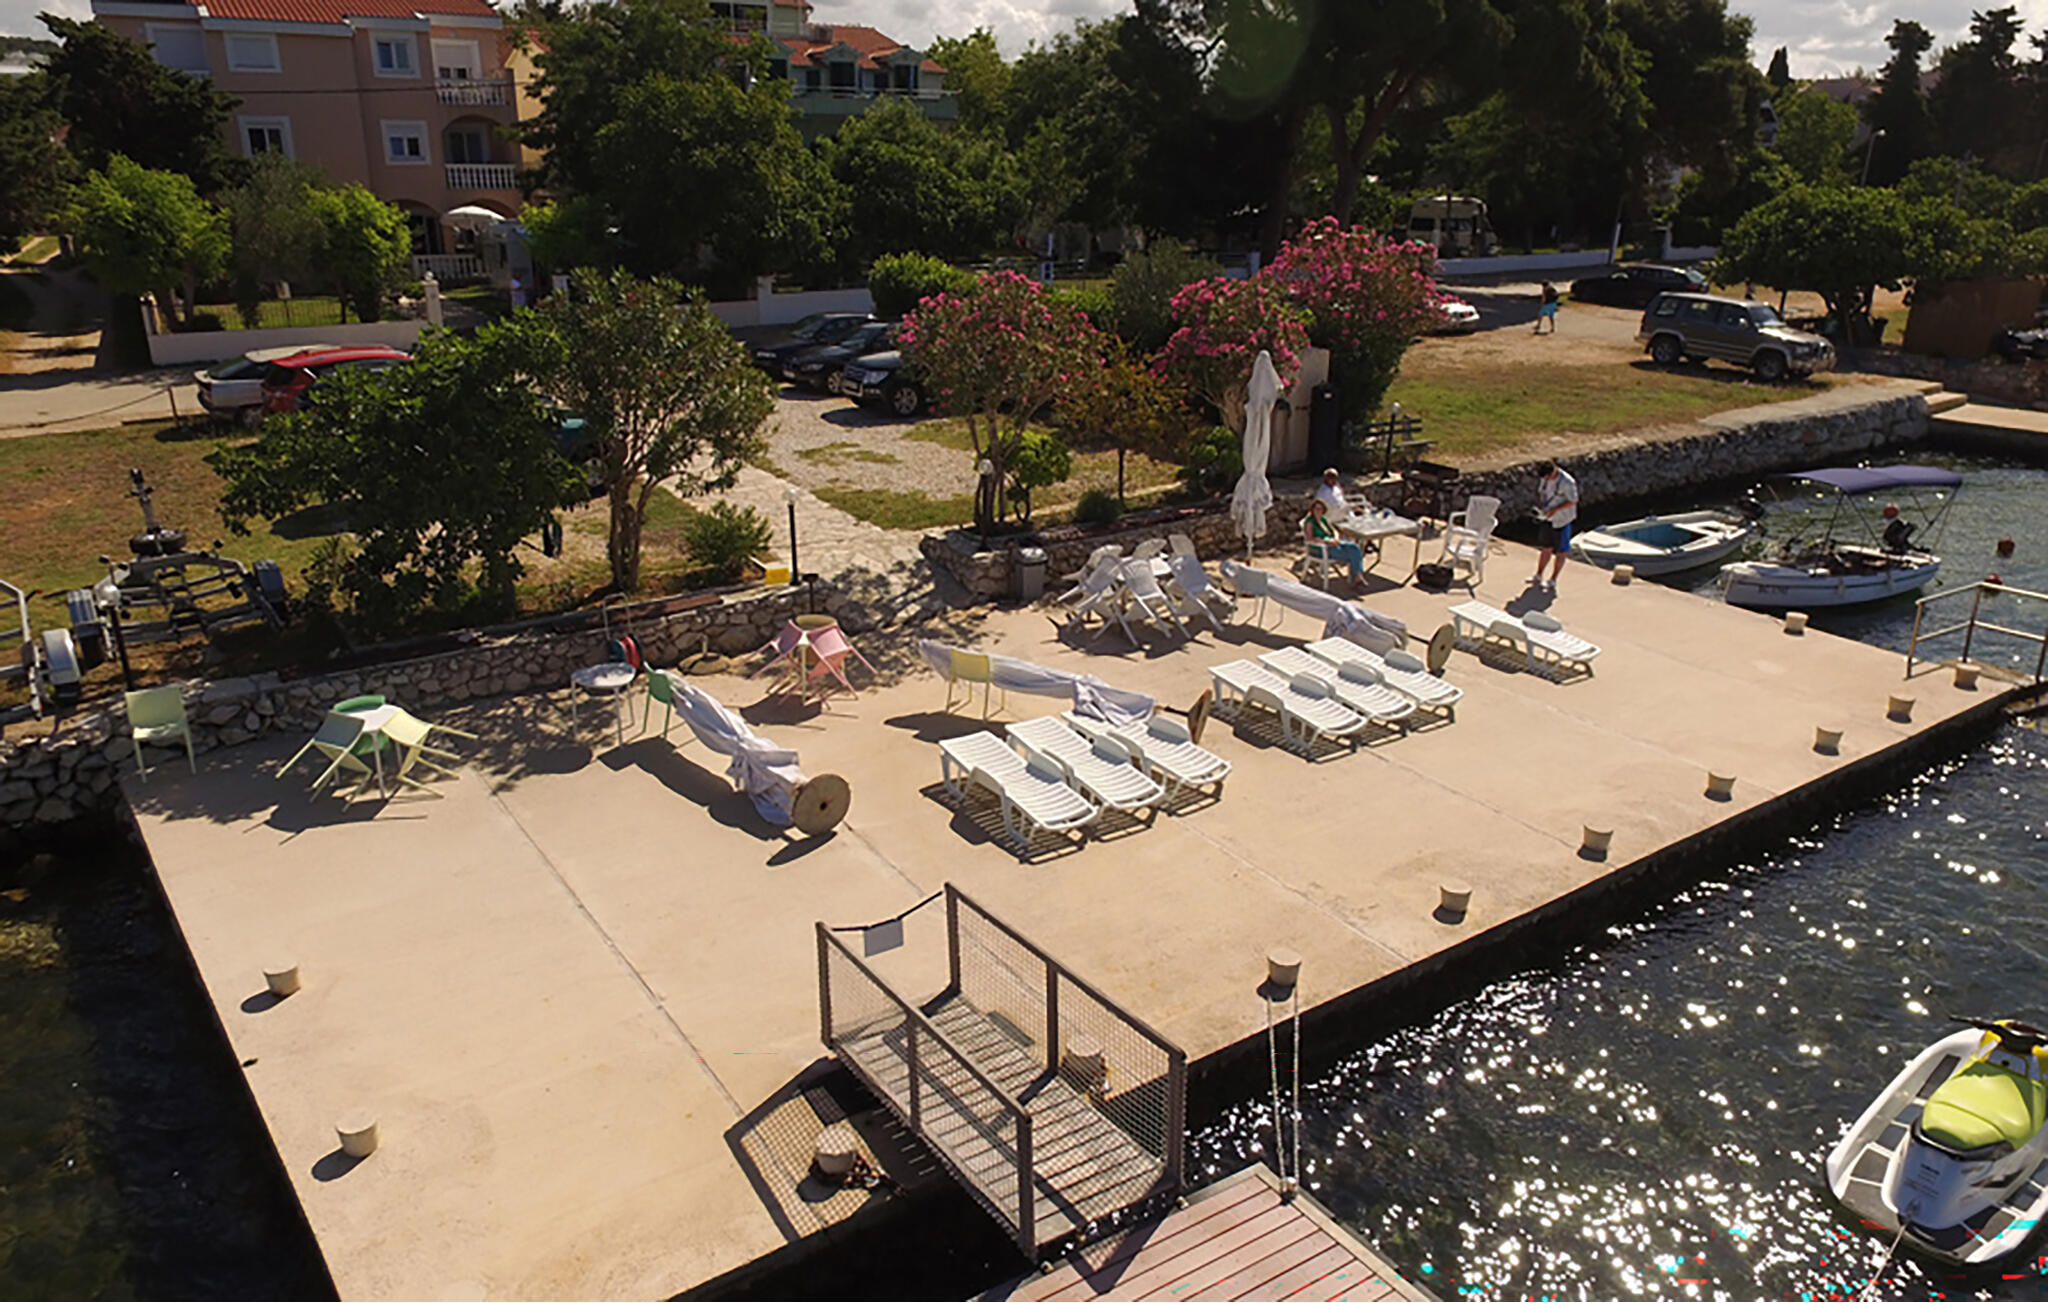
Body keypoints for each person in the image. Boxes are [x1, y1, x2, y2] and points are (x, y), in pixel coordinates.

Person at [1532, 461, 1578, 589]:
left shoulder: (1567, 482)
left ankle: (1553, 579)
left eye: (1547, 477)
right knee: (1546, 547)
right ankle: (1539, 575)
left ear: (1553, 472)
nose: (1545, 480)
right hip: (1547, 517)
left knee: (1560, 551)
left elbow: (1573, 501)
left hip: (1562, 519)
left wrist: (1555, 510)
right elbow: (1541, 493)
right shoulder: (1544, 478)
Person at [1305, 498, 1368, 588]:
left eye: (1321, 509)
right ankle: (1357, 577)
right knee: (1351, 555)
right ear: (1312, 510)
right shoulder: (1310, 522)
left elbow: (1334, 530)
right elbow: (1310, 539)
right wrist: (1326, 542)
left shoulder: (1323, 519)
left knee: (1355, 548)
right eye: (1316, 509)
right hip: (1321, 548)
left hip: (1332, 543)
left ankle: (1357, 576)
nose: (1318, 511)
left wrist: (1336, 538)